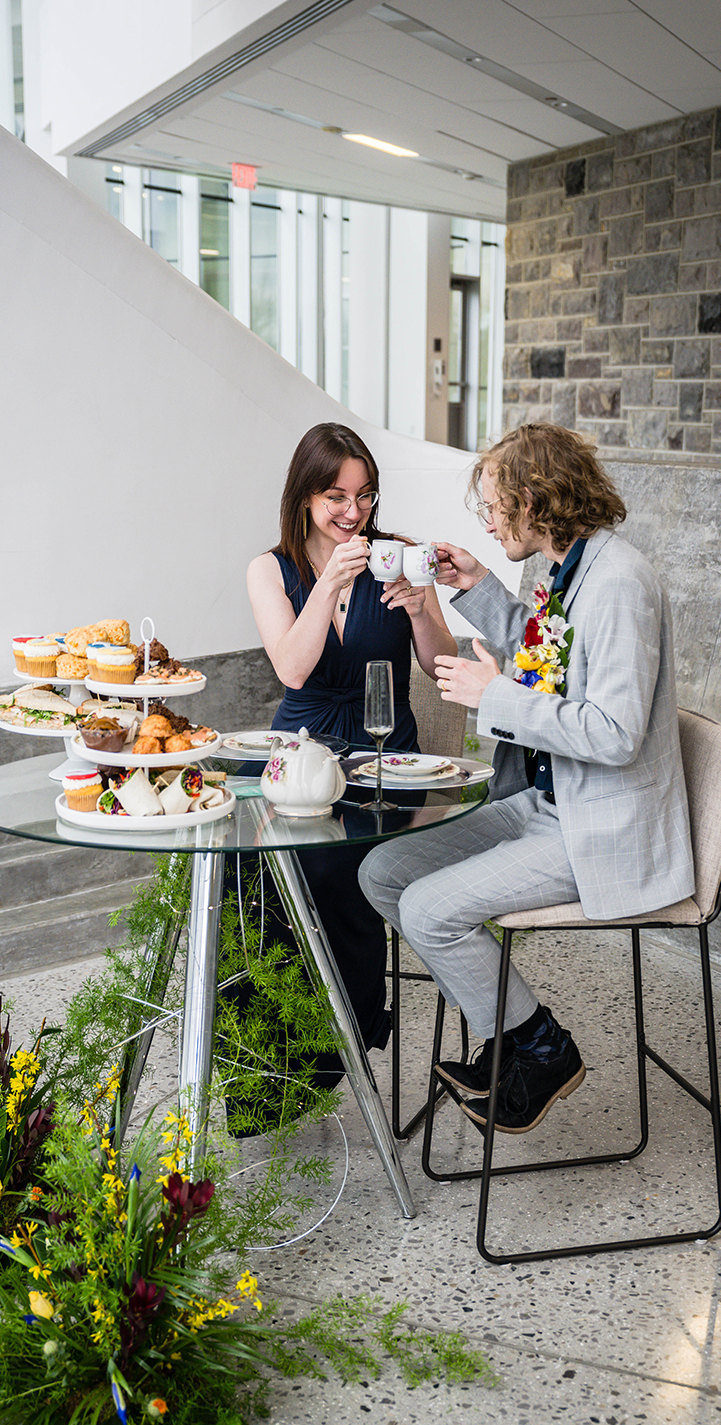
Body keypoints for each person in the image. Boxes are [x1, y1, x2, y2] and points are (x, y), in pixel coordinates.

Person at [359, 422, 694, 1135]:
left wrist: (494, 697)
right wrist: (474, 583)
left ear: (536, 499)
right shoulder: (564, 567)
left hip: (599, 824)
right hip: (546, 801)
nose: (485, 520)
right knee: (384, 873)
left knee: (427, 911)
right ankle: (518, 1038)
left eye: (493, 506)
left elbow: (613, 732)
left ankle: (538, 1046)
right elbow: (546, 655)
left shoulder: (621, 584)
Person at [239, 421, 455, 1092]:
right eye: (336, 495)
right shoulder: (269, 570)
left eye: (364, 496)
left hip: (383, 755)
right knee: (244, 869)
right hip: (295, 752)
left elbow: (441, 665)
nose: (353, 512)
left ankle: (341, 1038)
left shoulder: (399, 555)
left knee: (332, 861)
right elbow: (295, 670)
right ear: (305, 495)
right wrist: (329, 582)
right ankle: (263, 1050)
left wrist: (421, 610)